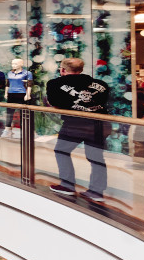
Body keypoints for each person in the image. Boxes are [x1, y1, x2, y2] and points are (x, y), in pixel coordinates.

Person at [44, 58, 110, 204]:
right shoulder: (101, 84)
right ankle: (96, 191)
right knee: (96, 157)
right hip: (100, 124)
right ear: (81, 69)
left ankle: (67, 185)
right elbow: (104, 101)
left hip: (75, 124)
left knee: (61, 150)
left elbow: (55, 103)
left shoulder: (55, 84)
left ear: (62, 70)